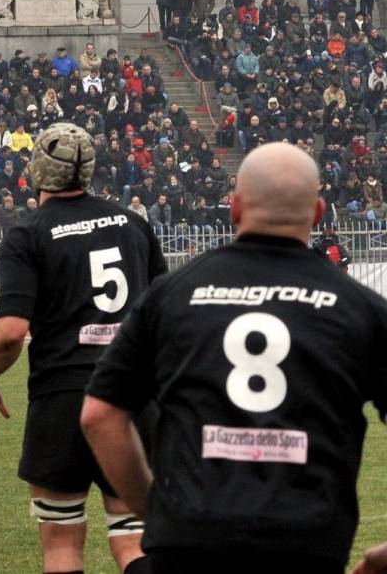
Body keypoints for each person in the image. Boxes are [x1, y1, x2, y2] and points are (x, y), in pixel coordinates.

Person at [82, 143, 387, 574]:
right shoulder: (361, 308)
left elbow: (99, 415)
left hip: (187, 540)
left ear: (235, 207)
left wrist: (156, 510)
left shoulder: (172, 294)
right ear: (318, 213)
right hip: (307, 541)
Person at [0, 123, 167, 574]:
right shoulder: (134, 225)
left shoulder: (28, 233)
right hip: (132, 396)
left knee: (61, 548)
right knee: (134, 544)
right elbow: (162, 317)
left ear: (37, 170)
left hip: (62, 399)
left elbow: (10, 332)